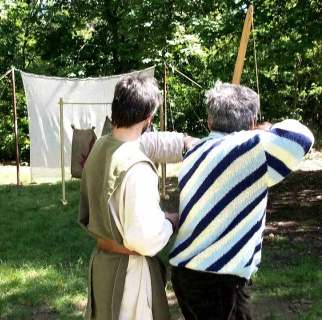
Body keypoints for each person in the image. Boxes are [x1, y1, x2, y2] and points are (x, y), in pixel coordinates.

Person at [169, 81, 315, 319]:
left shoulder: (194, 153)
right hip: (220, 279)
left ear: (209, 122)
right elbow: (302, 136)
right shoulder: (251, 148)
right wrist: (265, 131)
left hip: (185, 274)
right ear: (251, 123)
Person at [79, 75, 199, 319]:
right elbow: (145, 238)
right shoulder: (137, 168)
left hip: (103, 266)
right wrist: (170, 221)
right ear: (148, 118)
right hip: (128, 276)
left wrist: (183, 141)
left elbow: (146, 142)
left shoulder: (102, 146)